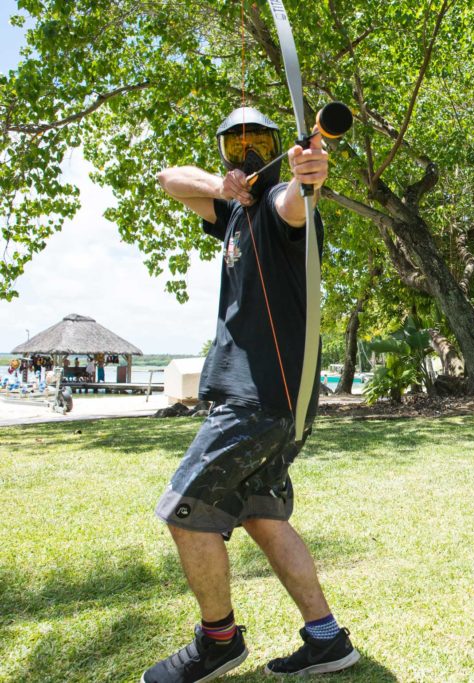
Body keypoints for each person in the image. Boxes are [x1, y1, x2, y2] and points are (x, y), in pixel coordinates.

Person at [146, 106, 358, 683]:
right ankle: (326, 639)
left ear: (271, 145)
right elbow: (168, 178)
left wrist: (305, 172)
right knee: (263, 516)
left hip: (261, 398)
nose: (244, 153)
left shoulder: (278, 206)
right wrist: (224, 187)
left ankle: (218, 642)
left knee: (186, 511)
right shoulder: (234, 214)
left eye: (255, 142)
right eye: (233, 145)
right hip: (275, 404)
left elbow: (296, 195)